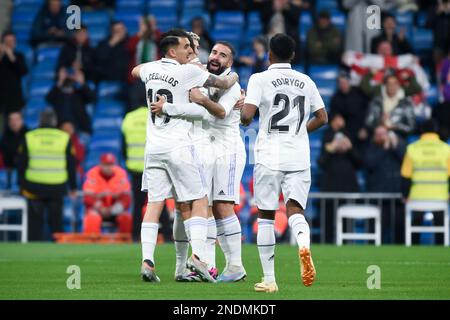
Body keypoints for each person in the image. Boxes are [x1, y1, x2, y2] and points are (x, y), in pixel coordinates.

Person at [130, 28, 239, 283]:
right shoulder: (188, 72)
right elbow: (223, 83)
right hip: (179, 147)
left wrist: (154, 64)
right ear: (172, 51)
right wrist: (234, 74)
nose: (190, 51)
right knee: (200, 199)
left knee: (155, 205)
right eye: (185, 48)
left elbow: (135, 71)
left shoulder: (150, 70)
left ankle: (148, 261)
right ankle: (199, 257)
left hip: (153, 148)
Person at [241, 33, 328, 292]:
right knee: (295, 211)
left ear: (269, 55)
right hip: (298, 155)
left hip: (269, 155)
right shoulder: (306, 80)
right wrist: (301, 131)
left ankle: (269, 279)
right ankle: (303, 245)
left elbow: (247, 117)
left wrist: (242, 113)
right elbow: (323, 117)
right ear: (293, 56)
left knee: (266, 216)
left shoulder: (260, 78)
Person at [17, 109, 77, 241]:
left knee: (34, 224)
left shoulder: (29, 137)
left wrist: (21, 185)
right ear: (54, 121)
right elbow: (71, 165)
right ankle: (59, 254)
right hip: (57, 187)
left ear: (40, 120)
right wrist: (73, 188)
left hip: (33, 187)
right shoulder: (64, 138)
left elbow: (20, 164)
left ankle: (32, 254)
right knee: (56, 224)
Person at [400, 119, 450, 244]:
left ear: (421, 131)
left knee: (415, 227)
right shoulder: (446, 149)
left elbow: (406, 176)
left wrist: (405, 195)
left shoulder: (412, 148)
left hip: (417, 197)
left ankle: (412, 252)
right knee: (440, 227)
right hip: (440, 197)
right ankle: (441, 251)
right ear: (436, 130)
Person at [318, 113, 362, 243]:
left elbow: (360, 162)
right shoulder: (326, 137)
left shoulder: (350, 135)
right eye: (337, 120)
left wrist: (350, 148)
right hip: (330, 187)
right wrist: (332, 148)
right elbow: (321, 162)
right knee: (328, 222)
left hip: (348, 187)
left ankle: (348, 246)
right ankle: (326, 247)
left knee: (348, 223)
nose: (339, 123)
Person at [364, 125, 406, 243]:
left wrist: (396, 146)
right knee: (377, 230)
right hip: (378, 198)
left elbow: (405, 160)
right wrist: (384, 149)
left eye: (384, 134)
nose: (381, 137)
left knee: (399, 231)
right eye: (378, 134)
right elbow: (369, 164)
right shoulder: (371, 147)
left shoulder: (398, 146)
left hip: (397, 197)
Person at [82, 153, 132, 235]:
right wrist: (100, 207)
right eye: (105, 164)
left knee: (125, 218)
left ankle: (124, 244)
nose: (108, 167)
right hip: (97, 209)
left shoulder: (121, 173)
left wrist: (114, 209)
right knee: (92, 218)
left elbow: (126, 198)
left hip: (115, 209)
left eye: (110, 164)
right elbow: (88, 197)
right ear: (100, 164)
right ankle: (91, 244)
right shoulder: (92, 173)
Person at [121, 105, 148, 241]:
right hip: (153, 167)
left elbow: (123, 145)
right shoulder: (154, 113)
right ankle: (166, 235)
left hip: (135, 169)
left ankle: (135, 235)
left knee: (137, 205)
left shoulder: (129, 118)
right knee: (157, 202)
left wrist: (128, 162)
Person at [365, 73, 416, 139]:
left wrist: (395, 126)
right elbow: (368, 123)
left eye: (395, 83)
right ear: (385, 86)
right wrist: (380, 122)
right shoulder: (377, 101)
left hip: (398, 137)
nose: (392, 86)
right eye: (389, 84)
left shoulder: (406, 103)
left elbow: (411, 127)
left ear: (398, 85)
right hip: (378, 136)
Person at [46, 67, 95, 134]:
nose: (70, 76)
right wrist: (60, 81)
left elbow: (92, 99)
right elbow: (48, 99)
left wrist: (82, 83)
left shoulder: (80, 93)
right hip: (59, 131)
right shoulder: (58, 94)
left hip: (79, 131)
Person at [127, 16, 162, 109]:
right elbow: (129, 48)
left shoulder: (157, 37)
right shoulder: (136, 39)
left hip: (155, 77)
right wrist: (141, 33)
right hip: (138, 78)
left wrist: (153, 29)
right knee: (136, 103)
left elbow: (163, 43)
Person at [329, 69, 369, 149]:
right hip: (346, 131)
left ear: (349, 82)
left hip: (361, 128)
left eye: (345, 82)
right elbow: (332, 115)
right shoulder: (336, 98)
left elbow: (368, 111)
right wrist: (336, 118)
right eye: (340, 83)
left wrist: (366, 128)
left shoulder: (359, 93)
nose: (343, 85)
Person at [0, 31, 28, 123]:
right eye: (7, 42)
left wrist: (11, 56)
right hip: (1, 97)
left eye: (12, 41)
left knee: (13, 124)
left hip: (14, 99)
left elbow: (23, 71)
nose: (10, 44)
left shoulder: (19, 56)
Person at [0, 112, 28, 188]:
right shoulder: (5, 136)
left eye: (16, 120)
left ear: (22, 121)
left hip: (25, 171)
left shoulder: (29, 135)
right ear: (8, 122)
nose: (14, 122)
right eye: (11, 120)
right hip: (8, 169)